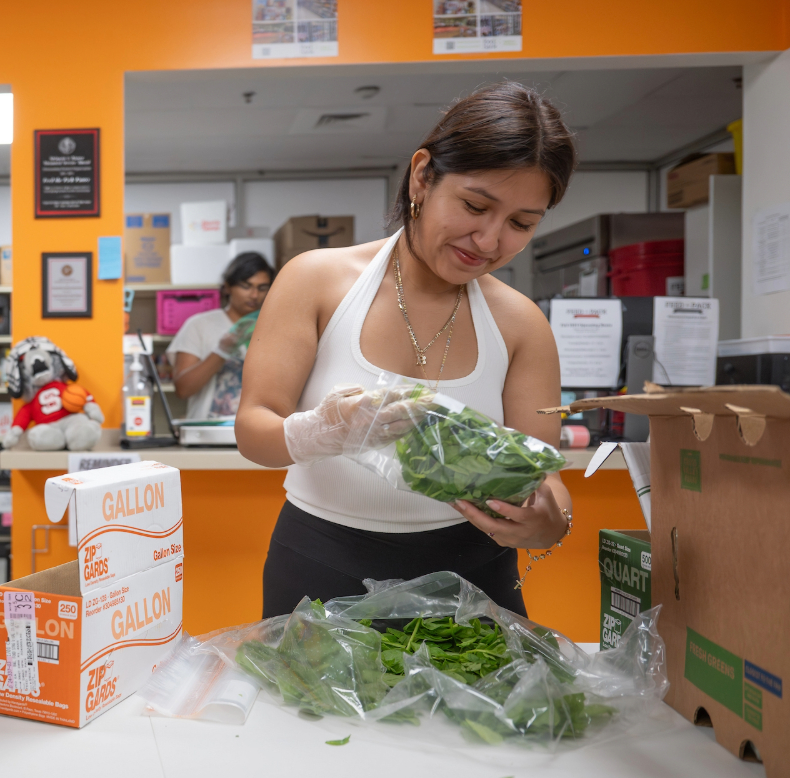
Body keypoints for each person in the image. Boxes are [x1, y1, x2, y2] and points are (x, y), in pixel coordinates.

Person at [236, 81, 577, 618]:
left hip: (473, 575)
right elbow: (253, 430)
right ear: (423, 175)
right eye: (474, 205)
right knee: (307, 705)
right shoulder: (317, 281)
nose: (488, 241)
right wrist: (320, 431)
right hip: (321, 561)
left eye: (520, 224)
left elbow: (544, 478)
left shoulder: (521, 324)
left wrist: (552, 520)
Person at [166, 252, 274, 420]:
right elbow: (183, 389)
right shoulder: (199, 325)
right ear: (228, 286)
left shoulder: (276, 328)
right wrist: (222, 351)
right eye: (246, 286)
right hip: (208, 436)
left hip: (258, 433)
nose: (254, 295)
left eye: (262, 288)